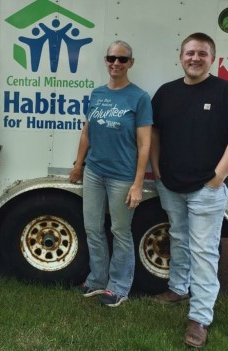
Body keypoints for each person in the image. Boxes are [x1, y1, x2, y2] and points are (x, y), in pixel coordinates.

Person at [150, 32, 228, 348]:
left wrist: (218, 177)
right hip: (170, 184)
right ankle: (178, 288)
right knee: (179, 238)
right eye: (189, 53)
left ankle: (200, 318)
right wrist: (156, 169)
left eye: (202, 53)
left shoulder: (223, 91)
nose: (194, 58)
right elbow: (154, 133)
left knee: (205, 252)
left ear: (212, 57)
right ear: (181, 56)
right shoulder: (166, 93)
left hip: (206, 188)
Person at [70, 41, 152, 307]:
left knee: (119, 230)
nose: (116, 63)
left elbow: (144, 144)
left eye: (122, 59)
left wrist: (138, 183)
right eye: (111, 58)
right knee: (93, 228)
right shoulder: (97, 93)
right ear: (105, 61)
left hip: (122, 177)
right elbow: (87, 132)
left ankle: (118, 286)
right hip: (94, 171)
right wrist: (79, 164)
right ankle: (96, 279)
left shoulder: (139, 98)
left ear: (131, 63)